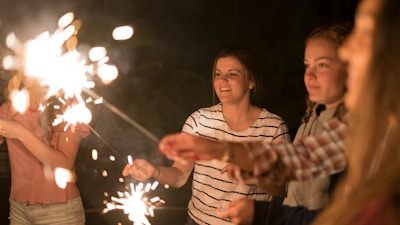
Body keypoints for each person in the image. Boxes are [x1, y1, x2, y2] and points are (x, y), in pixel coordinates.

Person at [160, 0, 400, 224]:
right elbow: (302, 160)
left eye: (366, 32)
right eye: (308, 65)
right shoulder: (336, 119)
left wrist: (224, 153)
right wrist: (225, 154)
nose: (348, 51)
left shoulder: (378, 133)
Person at [122, 46, 291, 225]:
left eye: (232, 74)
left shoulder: (273, 128)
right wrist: (154, 171)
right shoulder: (199, 120)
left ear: (251, 82)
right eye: (218, 74)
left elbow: (282, 189)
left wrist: (254, 175)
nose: (223, 80)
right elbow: (179, 175)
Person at [0, 68, 90, 223]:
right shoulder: (9, 108)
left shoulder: (67, 107)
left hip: (59, 212)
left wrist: (20, 133)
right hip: (18, 209)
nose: (24, 68)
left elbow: (64, 163)